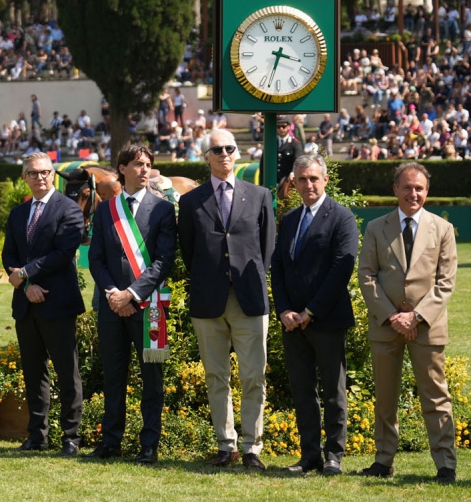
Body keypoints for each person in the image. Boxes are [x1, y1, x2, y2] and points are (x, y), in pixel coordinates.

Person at [177, 128, 274, 469]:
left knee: (253, 375)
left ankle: (252, 448)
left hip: (249, 298)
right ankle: (225, 444)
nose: (224, 154)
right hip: (208, 301)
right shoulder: (190, 201)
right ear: (206, 156)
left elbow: (267, 248)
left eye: (229, 148)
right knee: (216, 376)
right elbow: (189, 252)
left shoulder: (260, 196)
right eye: (216, 149)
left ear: (237, 152)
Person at [357, 162, 458, 484]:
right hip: (386, 326)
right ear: (395, 190)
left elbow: (446, 282)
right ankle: (383, 460)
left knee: (436, 397)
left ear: (426, 192)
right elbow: (367, 275)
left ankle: (445, 464)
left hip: (427, 327)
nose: (413, 193)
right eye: (407, 187)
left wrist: (415, 316)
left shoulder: (442, 229)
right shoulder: (376, 228)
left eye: (419, 188)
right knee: (385, 399)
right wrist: (392, 316)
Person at [86, 144, 176, 465]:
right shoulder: (105, 210)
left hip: (152, 308)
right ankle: (111, 442)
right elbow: (95, 259)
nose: (144, 170)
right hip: (112, 309)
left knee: (153, 378)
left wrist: (132, 294)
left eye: (148, 164)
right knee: (113, 375)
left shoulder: (163, 209)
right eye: (138, 164)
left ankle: (149, 446)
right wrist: (113, 293)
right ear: (122, 168)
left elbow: (165, 260)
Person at [270, 154, 358, 476]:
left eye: (314, 178)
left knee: (334, 391)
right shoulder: (290, 219)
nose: (309, 184)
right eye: (302, 179)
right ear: (294, 182)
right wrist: (284, 311)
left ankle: (334, 455)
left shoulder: (342, 217)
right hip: (293, 324)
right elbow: (277, 267)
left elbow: (341, 270)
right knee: (303, 391)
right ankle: (310, 457)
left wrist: (310, 311)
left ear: (325, 180)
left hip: (327, 320)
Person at [1, 152, 85, 455]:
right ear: (24, 177)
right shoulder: (18, 214)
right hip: (27, 303)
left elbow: (63, 253)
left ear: (53, 175)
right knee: (33, 372)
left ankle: (71, 437)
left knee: (67, 372)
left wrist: (26, 273)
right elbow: (8, 255)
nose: (40, 177)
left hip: (58, 303)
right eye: (33, 173)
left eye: (45, 172)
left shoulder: (69, 209)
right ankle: (37, 436)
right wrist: (26, 286)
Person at [276, 118, 303, 185]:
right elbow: (263, 163)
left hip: (287, 179)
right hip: (273, 178)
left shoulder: (295, 143)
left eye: (283, 126)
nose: (281, 129)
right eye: (278, 127)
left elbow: (298, 161)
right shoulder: (271, 143)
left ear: (289, 127)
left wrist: (293, 173)